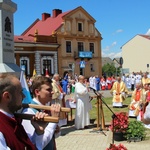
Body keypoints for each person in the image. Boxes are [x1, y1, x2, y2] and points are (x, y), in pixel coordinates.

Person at [0, 73, 50, 150]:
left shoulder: (13, 119)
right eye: (20, 92)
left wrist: (38, 132)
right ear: (7, 96)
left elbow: (27, 146)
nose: (24, 96)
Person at [22, 75, 61, 150]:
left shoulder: (46, 109)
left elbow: (51, 136)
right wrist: (53, 121)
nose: (52, 92)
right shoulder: (28, 112)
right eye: (48, 90)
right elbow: (37, 144)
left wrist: (56, 131)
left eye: (51, 89)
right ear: (37, 92)